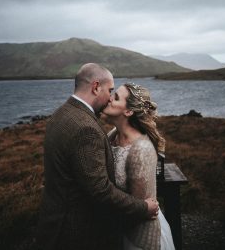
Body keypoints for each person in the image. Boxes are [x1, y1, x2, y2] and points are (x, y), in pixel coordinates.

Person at [36, 63, 159, 250]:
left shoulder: (60, 114)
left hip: (54, 221)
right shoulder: (87, 128)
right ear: (95, 87)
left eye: (114, 95)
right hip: (76, 231)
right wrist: (144, 208)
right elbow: (100, 190)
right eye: (110, 91)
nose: (109, 98)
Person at [102, 82, 176, 250]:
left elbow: (138, 210)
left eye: (116, 97)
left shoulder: (140, 150)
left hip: (138, 238)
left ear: (128, 111)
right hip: (118, 231)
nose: (109, 99)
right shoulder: (112, 135)